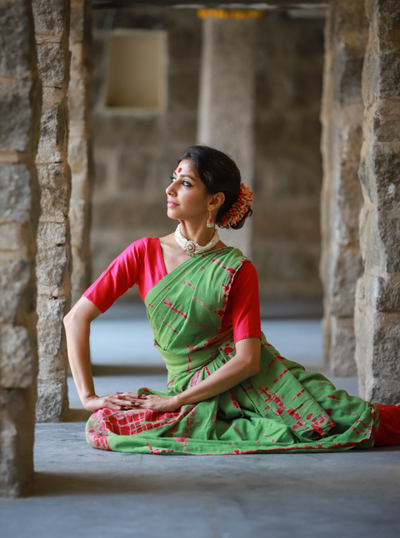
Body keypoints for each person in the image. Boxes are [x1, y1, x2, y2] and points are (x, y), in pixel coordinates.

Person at [64, 145, 400, 454]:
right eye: (173, 180)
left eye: (185, 183)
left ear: (214, 201)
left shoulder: (237, 269)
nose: (169, 190)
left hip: (261, 380)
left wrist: (176, 401)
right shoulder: (143, 253)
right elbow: (75, 318)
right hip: (189, 385)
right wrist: (89, 397)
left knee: (354, 419)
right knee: (106, 424)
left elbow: (248, 360)